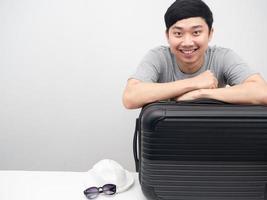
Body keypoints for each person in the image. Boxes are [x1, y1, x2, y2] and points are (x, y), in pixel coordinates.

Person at [122, 0, 267, 109]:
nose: (187, 42)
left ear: (210, 34)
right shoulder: (158, 57)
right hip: (167, 141)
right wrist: (193, 83)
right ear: (167, 36)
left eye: (196, 32)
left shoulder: (222, 57)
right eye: (178, 33)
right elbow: (130, 97)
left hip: (210, 137)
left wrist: (201, 94)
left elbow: (262, 92)